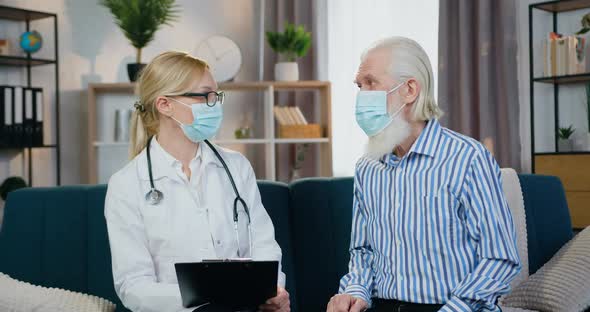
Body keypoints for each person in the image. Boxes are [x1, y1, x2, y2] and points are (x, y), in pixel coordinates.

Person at [327, 37, 521, 312]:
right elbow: (362, 252)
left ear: (409, 90)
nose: (362, 95)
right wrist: (354, 293)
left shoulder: (467, 158)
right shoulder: (367, 167)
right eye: (360, 86)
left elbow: (500, 258)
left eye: (371, 83)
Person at [104, 51, 290, 312]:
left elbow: (265, 245)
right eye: (205, 96)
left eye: (217, 95)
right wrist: (211, 296)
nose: (215, 104)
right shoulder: (126, 184)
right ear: (165, 105)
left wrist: (272, 291)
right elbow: (134, 286)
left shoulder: (236, 167)